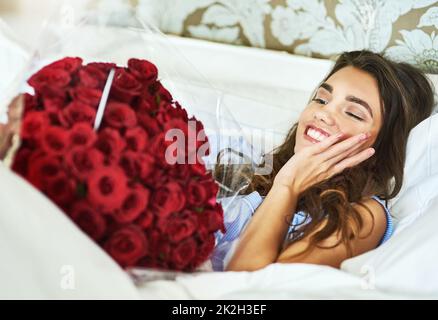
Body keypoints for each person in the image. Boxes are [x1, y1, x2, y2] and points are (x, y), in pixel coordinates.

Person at [211, 50, 435, 272]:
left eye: (354, 113)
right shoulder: (252, 175)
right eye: (321, 99)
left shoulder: (365, 215)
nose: (323, 113)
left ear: (384, 147)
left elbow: (248, 282)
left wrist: (287, 184)